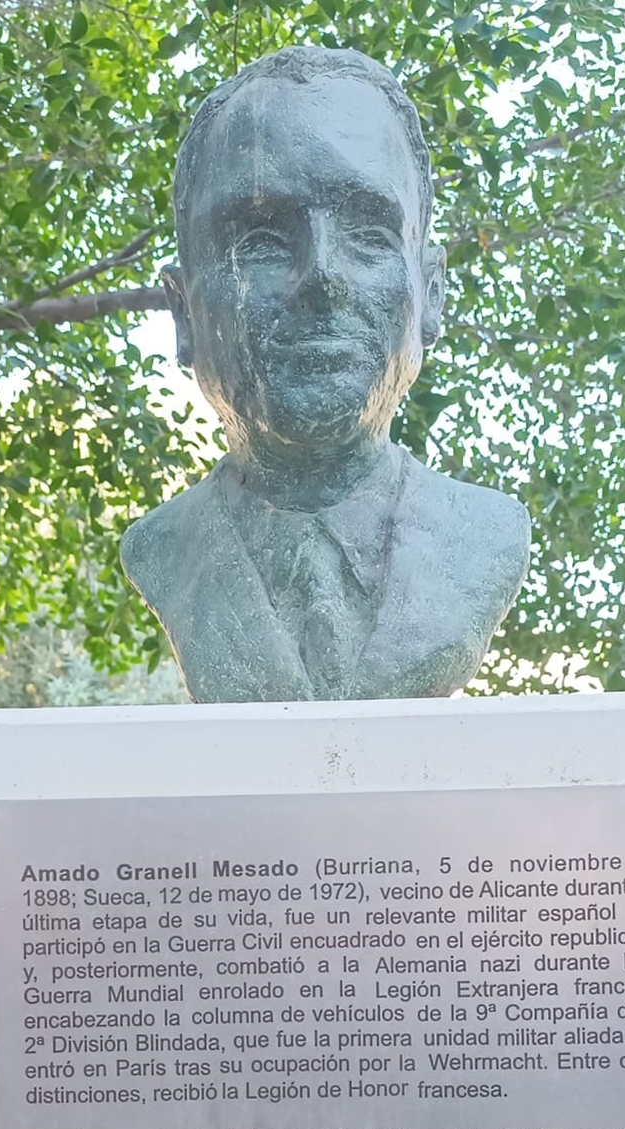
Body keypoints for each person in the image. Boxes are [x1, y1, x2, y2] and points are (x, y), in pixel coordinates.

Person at [121, 45, 529, 703]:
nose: (320, 277)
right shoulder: (163, 550)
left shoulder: (485, 535)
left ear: (428, 299)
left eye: (369, 236)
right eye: (259, 240)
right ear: (183, 313)